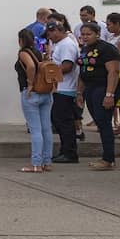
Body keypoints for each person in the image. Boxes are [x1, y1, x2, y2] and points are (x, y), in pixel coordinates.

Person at [77, 22, 120, 170]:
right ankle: (106, 157)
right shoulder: (85, 49)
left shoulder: (107, 49)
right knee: (99, 122)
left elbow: (113, 72)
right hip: (90, 88)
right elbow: (82, 71)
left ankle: (108, 160)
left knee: (104, 123)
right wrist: (79, 93)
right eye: (83, 34)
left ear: (97, 34)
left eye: (88, 34)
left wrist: (109, 95)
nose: (85, 37)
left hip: (104, 87)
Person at [15, 29, 52, 172]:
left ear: (20, 40)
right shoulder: (38, 52)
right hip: (45, 93)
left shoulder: (23, 52)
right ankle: (46, 162)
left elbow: (30, 66)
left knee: (35, 129)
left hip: (31, 93)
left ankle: (36, 163)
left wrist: (30, 83)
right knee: (46, 128)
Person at [44, 20, 80, 163]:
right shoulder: (60, 44)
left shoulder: (66, 45)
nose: (49, 36)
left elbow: (67, 66)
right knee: (59, 121)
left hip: (65, 89)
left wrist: (48, 73)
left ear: (58, 30)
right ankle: (65, 150)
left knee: (64, 122)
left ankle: (69, 153)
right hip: (60, 89)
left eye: (50, 33)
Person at [103, 12, 120, 138]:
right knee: (119, 103)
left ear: (118, 24)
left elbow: (119, 55)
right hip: (112, 70)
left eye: (109, 25)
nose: (107, 27)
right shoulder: (112, 37)